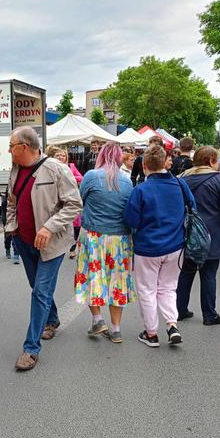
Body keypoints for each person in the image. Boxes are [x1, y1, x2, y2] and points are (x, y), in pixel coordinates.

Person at [5, 126, 82, 371]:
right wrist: (11, 227)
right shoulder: (15, 170)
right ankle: (52, 319)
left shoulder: (56, 169)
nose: (8, 150)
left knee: (40, 291)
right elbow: (11, 201)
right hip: (24, 241)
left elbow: (74, 205)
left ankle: (31, 348)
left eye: (11, 146)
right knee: (38, 288)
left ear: (24, 147)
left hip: (52, 244)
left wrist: (49, 227)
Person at [124, 144, 195, 348]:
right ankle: (172, 325)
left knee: (147, 290)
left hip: (147, 247)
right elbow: (192, 207)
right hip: (175, 246)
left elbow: (131, 220)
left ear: (145, 165)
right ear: (165, 162)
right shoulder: (180, 185)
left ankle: (151, 333)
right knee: (168, 288)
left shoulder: (141, 190)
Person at [75, 142, 135, 344]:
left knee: (92, 277)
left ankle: (98, 319)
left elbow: (80, 199)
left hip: (93, 236)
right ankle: (116, 330)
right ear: (119, 158)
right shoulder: (127, 181)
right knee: (117, 282)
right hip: (120, 239)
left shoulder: (91, 176)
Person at [176, 146, 220, 325]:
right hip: (212, 233)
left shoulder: (181, 179)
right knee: (208, 274)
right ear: (212, 161)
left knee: (186, 272)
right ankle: (209, 315)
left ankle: (179, 310)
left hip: (186, 232)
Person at [47, 146, 83, 258]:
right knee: (59, 223)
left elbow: (81, 177)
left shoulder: (70, 166)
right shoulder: (49, 168)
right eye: (58, 155)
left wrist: (70, 176)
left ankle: (72, 248)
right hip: (55, 199)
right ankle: (58, 246)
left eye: (63, 155)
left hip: (69, 199)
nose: (61, 157)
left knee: (76, 225)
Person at [0, 188, 20, 264]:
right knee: (7, 238)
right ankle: (7, 249)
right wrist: (5, 223)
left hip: (16, 222)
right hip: (7, 222)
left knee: (15, 239)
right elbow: (3, 213)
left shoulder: (17, 200)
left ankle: (16, 255)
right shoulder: (5, 202)